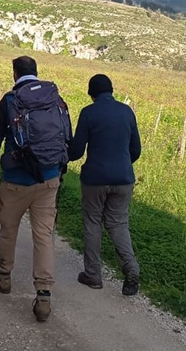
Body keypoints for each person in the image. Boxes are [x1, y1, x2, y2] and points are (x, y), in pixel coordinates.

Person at [0, 55, 71, 322]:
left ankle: (4, 276)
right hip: (49, 179)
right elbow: (68, 138)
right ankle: (43, 294)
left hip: (16, 181)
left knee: (8, 229)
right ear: (36, 72)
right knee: (43, 236)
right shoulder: (56, 99)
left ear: (14, 74)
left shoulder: (9, 101)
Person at [67, 73, 142, 296]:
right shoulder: (127, 111)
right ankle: (131, 269)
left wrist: (63, 154)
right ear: (112, 90)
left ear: (92, 93)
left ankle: (93, 275)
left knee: (92, 223)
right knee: (118, 224)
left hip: (95, 179)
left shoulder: (89, 113)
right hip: (124, 179)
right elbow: (135, 150)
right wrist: (121, 164)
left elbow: (77, 151)